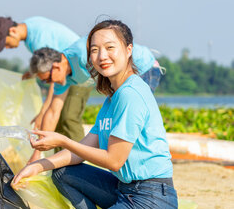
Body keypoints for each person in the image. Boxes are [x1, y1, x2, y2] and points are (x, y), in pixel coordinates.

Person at [12, 19, 180, 209]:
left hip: (151, 200)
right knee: (63, 173)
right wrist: (37, 165)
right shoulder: (113, 98)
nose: (102, 56)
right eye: (94, 50)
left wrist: (62, 140)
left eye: (110, 48)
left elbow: (114, 161)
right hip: (125, 191)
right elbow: (81, 150)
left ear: (128, 50)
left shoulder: (131, 94)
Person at [26, 34, 160, 161]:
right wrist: (37, 154)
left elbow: (115, 66)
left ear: (56, 67)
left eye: (47, 79)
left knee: (127, 118)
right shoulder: (63, 78)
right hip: (121, 77)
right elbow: (53, 112)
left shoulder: (83, 55)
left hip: (144, 68)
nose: (49, 83)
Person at [0, 16, 90, 142]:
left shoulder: (38, 41)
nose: (7, 48)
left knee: (68, 118)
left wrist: (42, 113)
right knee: (55, 122)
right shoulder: (31, 26)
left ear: (13, 31)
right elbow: (47, 66)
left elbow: (53, 76)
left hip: (78, 72)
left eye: (6, 43)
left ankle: (77, 157)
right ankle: (59, 160)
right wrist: (33, 73)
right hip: (67, 74)